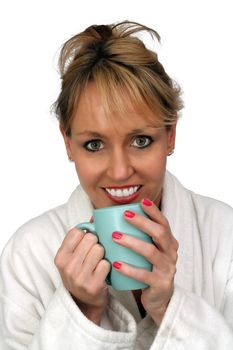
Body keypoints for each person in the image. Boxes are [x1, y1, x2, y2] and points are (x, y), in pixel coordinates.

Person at [0, 20, 233, 350]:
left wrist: (170, 307)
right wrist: (82, 312)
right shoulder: (29, 253)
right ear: (68, 142)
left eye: (141, 140)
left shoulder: (225, 234)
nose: (121, 172)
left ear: (170, 136)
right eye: (94, 144)